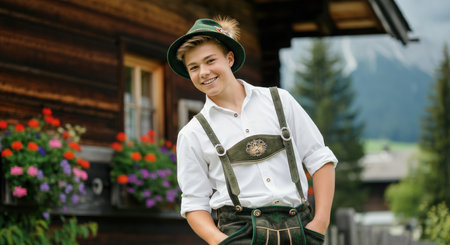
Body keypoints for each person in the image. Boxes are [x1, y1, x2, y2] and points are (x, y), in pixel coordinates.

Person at [167, 16, 338, 245]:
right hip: (239, 233)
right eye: (194, 67)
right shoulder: (192, 133)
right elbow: (194, 204)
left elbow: (320, 159)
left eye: (210, 61)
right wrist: (221, 242)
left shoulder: (279, 101)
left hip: (300, 228)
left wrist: (320, 223)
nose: (204, 72)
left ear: (229, 59)